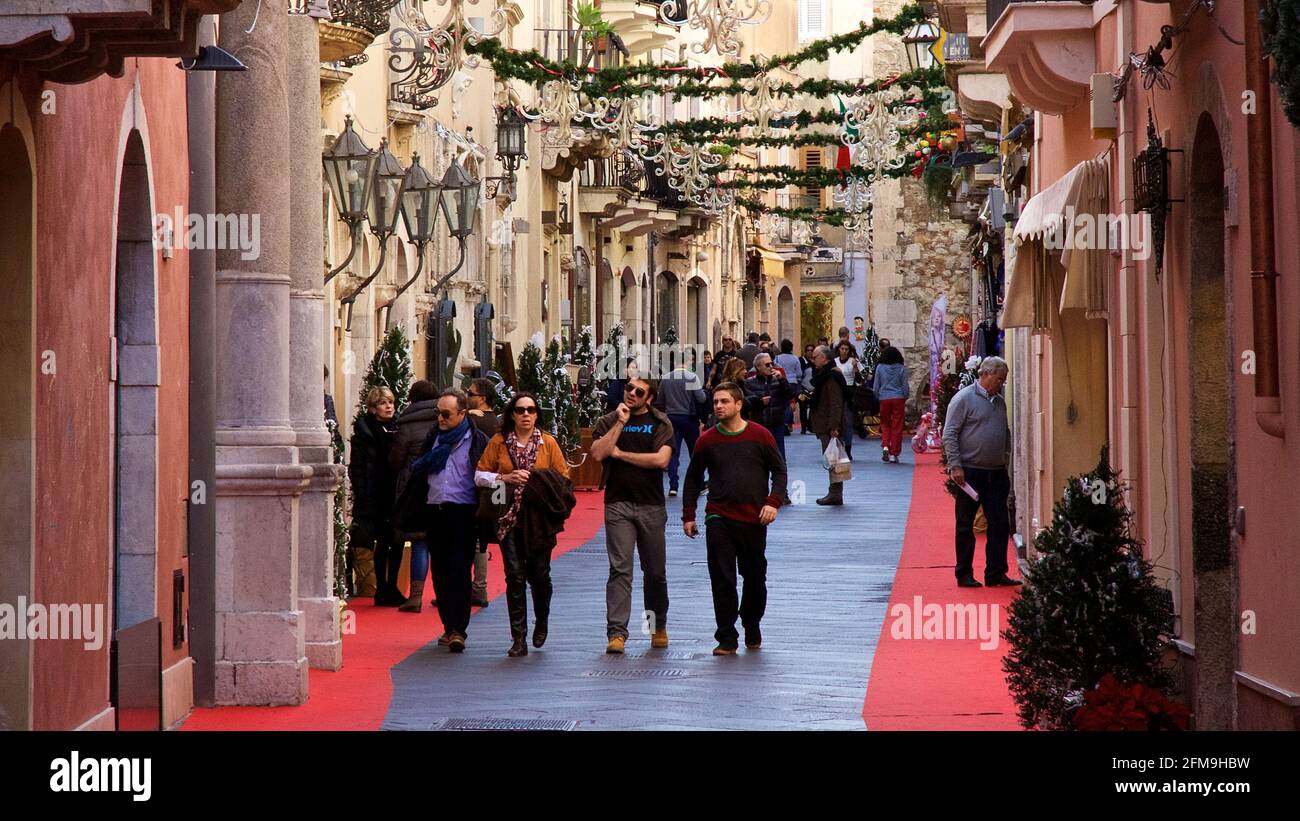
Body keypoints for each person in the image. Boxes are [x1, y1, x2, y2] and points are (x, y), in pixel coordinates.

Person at [682, 382, 787, 656]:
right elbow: (692, 478)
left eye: (724, 401)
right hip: (719, 516)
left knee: (755, 578)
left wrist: (772, 502)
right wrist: (689, 515)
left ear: (738, 405)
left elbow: (780, 472)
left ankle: (751, 623)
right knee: (722, 578)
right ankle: (726, 636)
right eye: (716, 401)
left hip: (754, 519)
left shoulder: (760, 436)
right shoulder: (707, 440)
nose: (718, 406)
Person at [475, 392, 574, 657]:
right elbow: (479, 475)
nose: (526, 415)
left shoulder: (548, 443)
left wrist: (535, 480)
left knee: (539, 575)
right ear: (512, 414)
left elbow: (563, 479)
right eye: (520, 410)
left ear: (537, 415)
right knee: (514, 576)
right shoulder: (498, 442)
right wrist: (505, 477)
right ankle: (518, 638)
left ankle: (541, 620)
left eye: (531, 410)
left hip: (539, 519)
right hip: (508, 518)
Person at [590, 376, 674, 654]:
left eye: (640, 391)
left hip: (651, 505)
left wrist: (622, 454)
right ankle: (617, 633)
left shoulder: (660, 423)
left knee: (654, 572)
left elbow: (661, 461)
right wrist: (620, 422)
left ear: (649, 398)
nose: (632, 394)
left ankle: (655, 626)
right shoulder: (608, 421)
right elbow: (599, 454)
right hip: (618, 504)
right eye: (629, 388)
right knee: (619, 570)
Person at [409, 389, 489, 652]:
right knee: (441, 571)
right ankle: (448, 626)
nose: (440, 419)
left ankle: (458, 629)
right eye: (438, 414)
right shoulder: (434, 437)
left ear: (462, 414)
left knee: (459, 569)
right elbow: (419, 470)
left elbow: (486, 474)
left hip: (463, 512)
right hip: (435, 510)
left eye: (446, 414)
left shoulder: (476, 440)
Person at [942, 356, 1020, 589]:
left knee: (999, 523)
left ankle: (996, 572)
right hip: (970, 472)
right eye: (999, 379)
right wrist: (955, 465)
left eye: (1004, 380)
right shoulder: (964, 399)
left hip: (996, 473)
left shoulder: (1000, 402)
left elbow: (1004, 432)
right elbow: (950, 433)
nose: (1001, 384)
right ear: (985, 374)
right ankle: (964, 573)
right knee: (966, 524)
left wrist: (1004, 458)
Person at [388, 380, 440, 613]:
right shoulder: (444, 420)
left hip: (414, 487)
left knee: (419, 541)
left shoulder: (406, 425)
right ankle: (443, 593)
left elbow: (395, 461)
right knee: (441, 543)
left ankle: (416, 596)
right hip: (441, 485)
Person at [349, 387, 402, 605]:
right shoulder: (364, 433)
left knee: (397, 541)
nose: (389, 406)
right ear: (373, 408)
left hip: (395, 493)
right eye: (383, 403)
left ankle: (393, 586)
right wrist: (362, 494)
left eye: (390, 402)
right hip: (374, 495)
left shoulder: (399, 429)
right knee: (381, 541)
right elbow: (357, 468)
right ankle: (381, 587)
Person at [465, 377, 500, 608]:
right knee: (481, 538)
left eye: (470, 393)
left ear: (482, 399)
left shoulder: (474, 422)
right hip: (493, 487)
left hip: (472, 484)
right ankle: (480, 587)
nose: (467, 396)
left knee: (471, 539)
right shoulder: (497, 422)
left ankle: (474, 588)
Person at [744, 353, 797, 485]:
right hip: (759, 425)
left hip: (776, 424)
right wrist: (759, 402)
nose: (771, 366)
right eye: (767, 364)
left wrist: (782, 380)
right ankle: (759, 489)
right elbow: (747, 403)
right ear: (758, 367)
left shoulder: (778, 380)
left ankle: (781, 491)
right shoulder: (750, 383)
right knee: (758, 460)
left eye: (771, 363)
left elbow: (790, 394)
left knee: (779, 459)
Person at [659, 357, 707, 497]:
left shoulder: (666, 378)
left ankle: (673, 486)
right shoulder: (691, 378)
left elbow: (660, 399)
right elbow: (701, 398)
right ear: (686, 363)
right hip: (689, 418)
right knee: (695, 451)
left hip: (671, 418)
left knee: (673, 452)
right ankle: (699, 483)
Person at [808, 345, 847, 506]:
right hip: (825, 423)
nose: (813, 359)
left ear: (824, 358)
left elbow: (836, 403)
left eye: (816, 356)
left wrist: (834, 427)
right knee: (832, 459)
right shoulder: (824, 374)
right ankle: (834, 492)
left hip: (828, 425)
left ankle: (835, 493)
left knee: (833, 460)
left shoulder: (831, 376)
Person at [873, 346, 909, 464]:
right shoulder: (901, 368)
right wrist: (905, 395)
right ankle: (894, 453)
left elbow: (876, 385)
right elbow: (904, 385)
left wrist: (878, 396)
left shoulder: (880, 367)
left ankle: (885, 446)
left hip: (884, 398)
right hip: (898, 397)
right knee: (897, 425)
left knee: (885, 424)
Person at [833, 339, 862, 459]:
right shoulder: (834, 362)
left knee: (848, 422)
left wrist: (855, 369)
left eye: (846, 349)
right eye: (842, 349)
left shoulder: (853, 361)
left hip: (849, 391)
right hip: (837, 392)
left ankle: (848, 449)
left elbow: (860, 381)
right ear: (838, 350)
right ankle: (838, 447)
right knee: (837, 421)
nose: (844, 351)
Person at [773, 338, 803, 434]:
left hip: (780, 381)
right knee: (790, 403)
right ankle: (787, 422)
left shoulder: (777, 358)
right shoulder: (795, 359)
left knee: (782, 403)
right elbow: (799, 373)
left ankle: (784, 423)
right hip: (792, 382)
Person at [798, 343, 816, 434]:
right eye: (808, 350)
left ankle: (811, 426)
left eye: (811, 350)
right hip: (804, 388)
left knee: (813, 408)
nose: (809, 352)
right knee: (803, 408)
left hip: (814, 389)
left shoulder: (817, 361)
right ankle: (803, 427)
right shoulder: (801, 361)